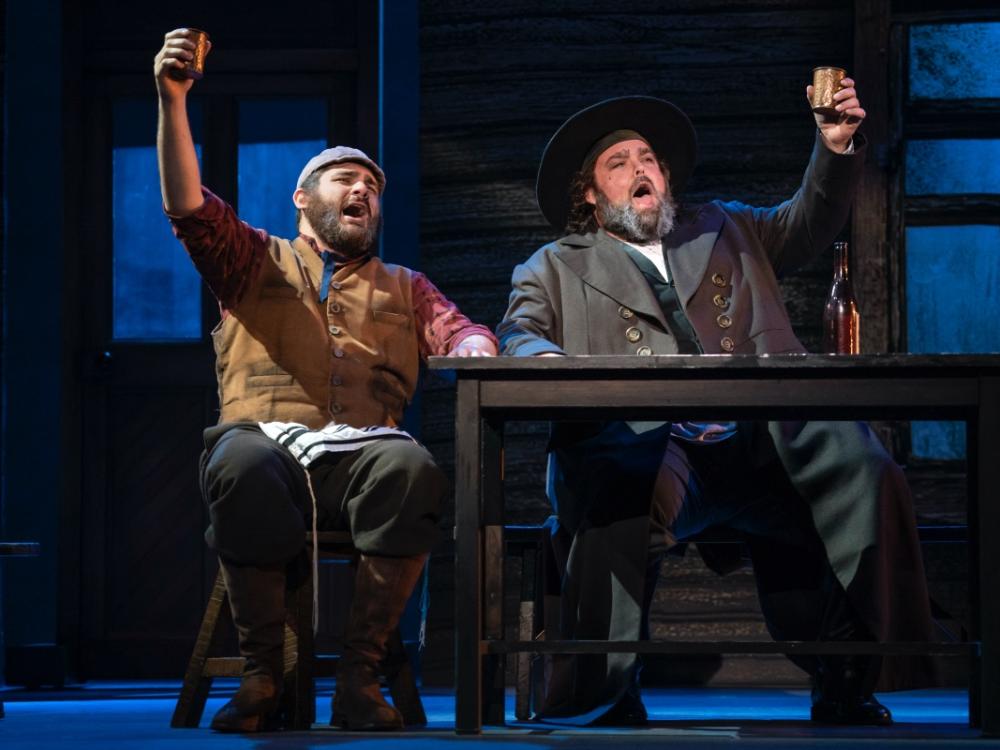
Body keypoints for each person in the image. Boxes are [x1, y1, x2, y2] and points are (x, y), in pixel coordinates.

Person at [497, 82, 936, 726]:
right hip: (659, 445)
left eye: (647, 158)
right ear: (591, 196)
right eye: (618, 164)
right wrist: (541, 357)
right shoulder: (555, 266)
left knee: (865, 470)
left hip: (762, 439)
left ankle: (846, 673)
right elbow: (522, 330)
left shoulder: (725, 224)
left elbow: (807, 220)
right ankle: (611, 682)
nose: (640, 169)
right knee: (619, 484)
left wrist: (834, 147)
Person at [154, 29, 498, 733]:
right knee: (240, 460)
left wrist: (477, 343)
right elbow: (188, 205)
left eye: (372, 185)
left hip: (362, 460)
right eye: (346, 180)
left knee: (413, 467)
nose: (363, 191)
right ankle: (262, 675)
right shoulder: (254, 259)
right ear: (303, 200)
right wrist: (173, 100)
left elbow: (460, 332)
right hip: (269, 449)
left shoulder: (406, 285)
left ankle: (359, 677)